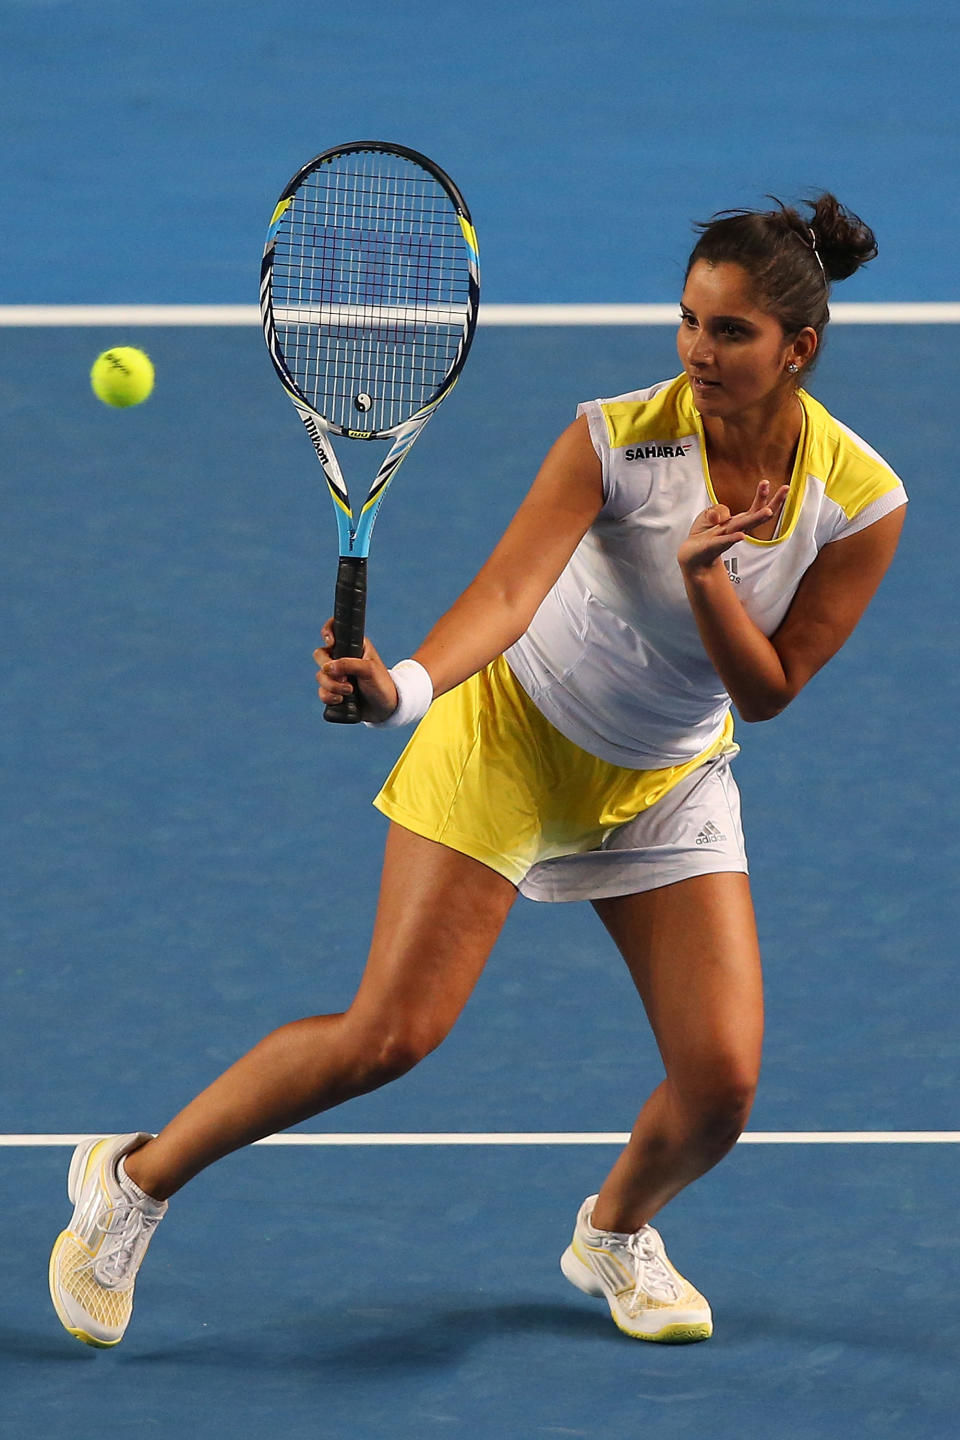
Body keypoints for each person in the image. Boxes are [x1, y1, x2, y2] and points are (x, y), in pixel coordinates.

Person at [49, 194, 907, 1348]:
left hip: (665, 779)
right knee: (390, 1036)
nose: (698, 352)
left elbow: (769, 690)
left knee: (721, 1089)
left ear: (798, 349)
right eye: (689, 321)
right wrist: (404, 690)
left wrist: (708, 577)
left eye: (732, 332)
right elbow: (508, 594)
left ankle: (612, 1232)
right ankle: (131, 1184)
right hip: (510, 734)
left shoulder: (858, 501)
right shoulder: (616, 438)